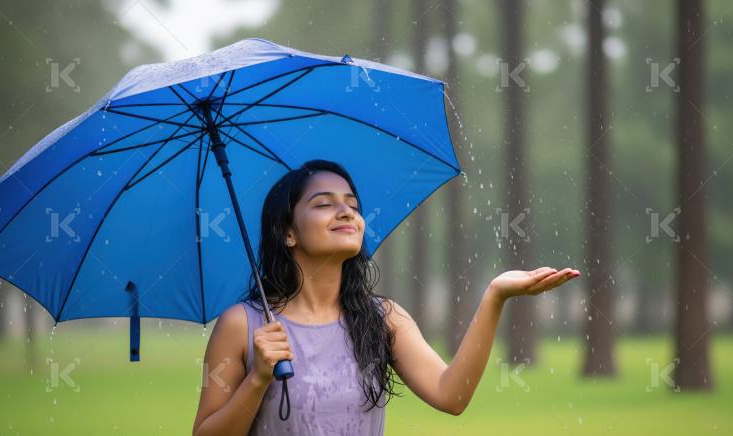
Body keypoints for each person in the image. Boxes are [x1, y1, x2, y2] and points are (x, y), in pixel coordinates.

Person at [192, 159, 579, 435]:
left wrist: (495, 296)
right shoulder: (243, 325)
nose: (345, 212)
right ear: (287, 233)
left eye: (353, 205)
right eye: (324, 204)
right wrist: (258, 378)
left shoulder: (383, 317)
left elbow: (452, 395)